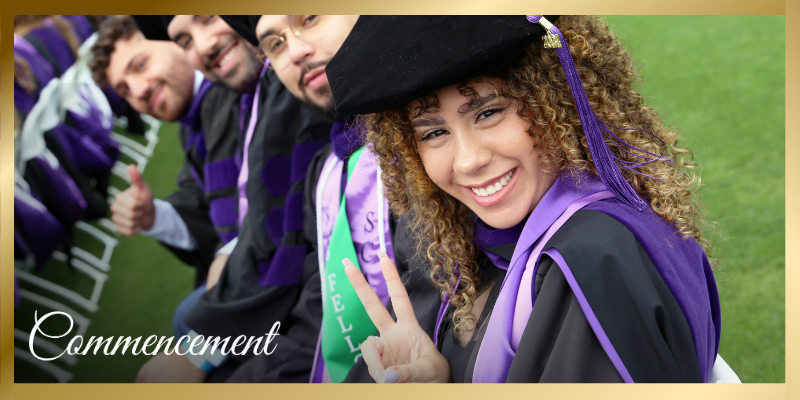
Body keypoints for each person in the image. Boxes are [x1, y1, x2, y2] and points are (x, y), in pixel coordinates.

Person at [325, 15, 721, 383]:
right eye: (433, 133)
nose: (469, 160)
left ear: (557, 97)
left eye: (487, 112)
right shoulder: (474, 247)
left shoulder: (592, 260)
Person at [90, 15, 242, 287]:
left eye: (140, 65)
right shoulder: (193, 122)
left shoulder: (235, 93)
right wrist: (154, 216)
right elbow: (200, 201)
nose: (138, 91)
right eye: (124, 90)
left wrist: (228, 256)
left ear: (175, 42)